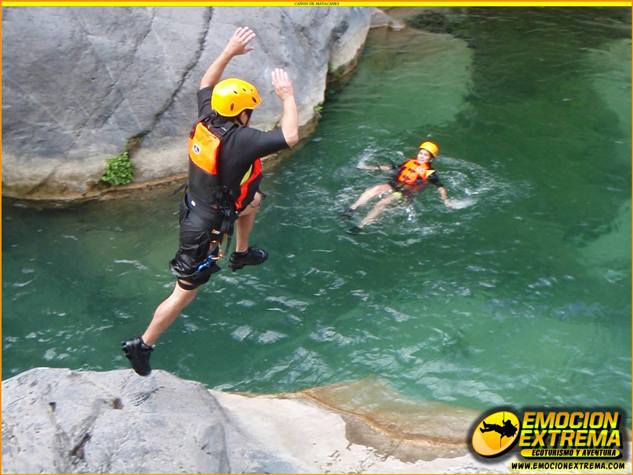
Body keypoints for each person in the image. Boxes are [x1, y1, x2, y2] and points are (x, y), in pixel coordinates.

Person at [121, 26, 299, 376]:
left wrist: (229, 51)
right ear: (241, 113)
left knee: (254, 199)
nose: (252, 114)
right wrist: (288, 95)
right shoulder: (242, 140)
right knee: (184, 294)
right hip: (203, 227)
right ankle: (142, 345)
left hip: (201, 207)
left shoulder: (207, 118)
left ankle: (242, 253)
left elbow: (205, 81)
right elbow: (290, 135)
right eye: (250, 108)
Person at [344, 141, 451, 231]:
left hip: (404, 192)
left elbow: (440, 187)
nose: (422, 156)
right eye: (421, 153)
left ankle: (361, 226)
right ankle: (351, 209)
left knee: (381, 203)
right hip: (394, 184)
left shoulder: (429, 172)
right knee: (374, 190)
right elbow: (392, 168)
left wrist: (446, 200)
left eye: (425, 155)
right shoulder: (410, 162)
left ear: (431, 158)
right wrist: (368, 167)